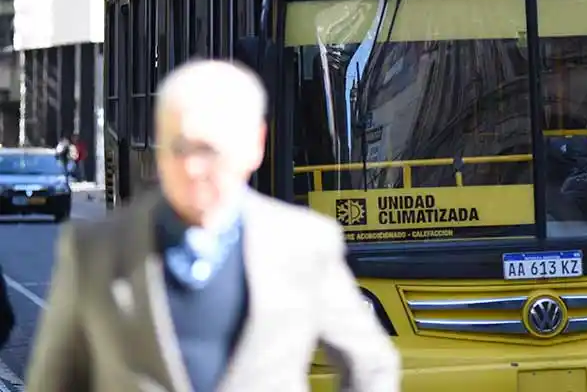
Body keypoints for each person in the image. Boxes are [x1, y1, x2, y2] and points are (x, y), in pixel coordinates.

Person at [26, 59, 400, 392]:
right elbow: (53, 379)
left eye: (208, 150)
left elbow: (371, 364)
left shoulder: (304, 244)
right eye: (177, 147)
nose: (191, 168)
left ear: (255, 145)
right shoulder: (94, 249)